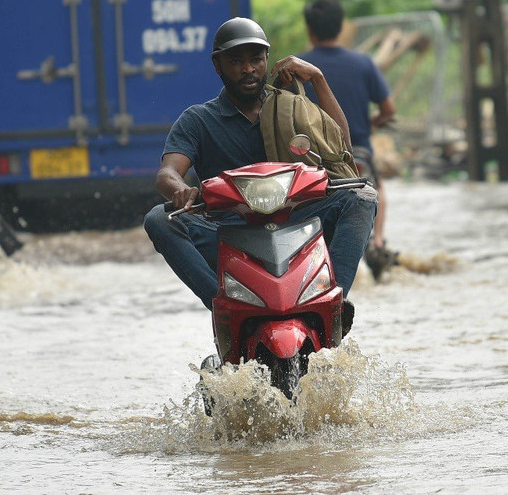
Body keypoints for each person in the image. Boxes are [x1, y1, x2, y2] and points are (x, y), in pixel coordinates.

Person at [145, 17, 379, 309]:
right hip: (230, 231)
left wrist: (318, 78)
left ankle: (336, 302)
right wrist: (180, 190)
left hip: (296, 221)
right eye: (236, 61)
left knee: (362, 197)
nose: (248, 69)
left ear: (267, 60)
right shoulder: (198, 119)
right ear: (218, 66)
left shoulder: (291, 107)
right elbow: (168, 172)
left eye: (256, 59)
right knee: (157, 219)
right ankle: (220, 306)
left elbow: (341, 147)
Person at [298, 0, 399, 278]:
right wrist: (370, 124)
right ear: (342, 27)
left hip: (315, 159)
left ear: (310, 30)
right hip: (358, 153)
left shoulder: (298, 67)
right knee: (378, 191)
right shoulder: (364, 63)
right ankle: (377, 243)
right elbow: (389, 110)